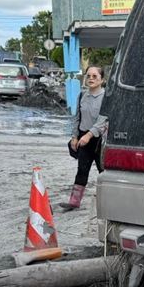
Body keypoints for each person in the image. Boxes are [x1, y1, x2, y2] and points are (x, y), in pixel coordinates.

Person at [60, 66, 107, 210]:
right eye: (88, 76)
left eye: (94, 76)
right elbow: (77, 118)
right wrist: (74, 136)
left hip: (99, 141)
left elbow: (103, 120)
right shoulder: (81, 96)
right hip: (82, 138)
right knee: (82, 170)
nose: (91, 79)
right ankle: (74, 202)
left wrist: (89, 134)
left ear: (102, 80)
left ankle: (108, 203)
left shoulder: (106, 98)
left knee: (104, 172)